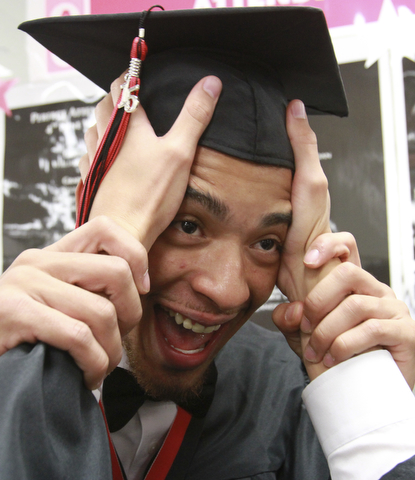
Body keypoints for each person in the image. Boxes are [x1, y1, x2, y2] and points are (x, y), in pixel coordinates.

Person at [1, 6, 415, 480]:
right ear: (95, 200)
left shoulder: (293, 393)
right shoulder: (6, 348)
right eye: (188, 224)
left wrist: (366, 391)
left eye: (267, 242)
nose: (227, 290)